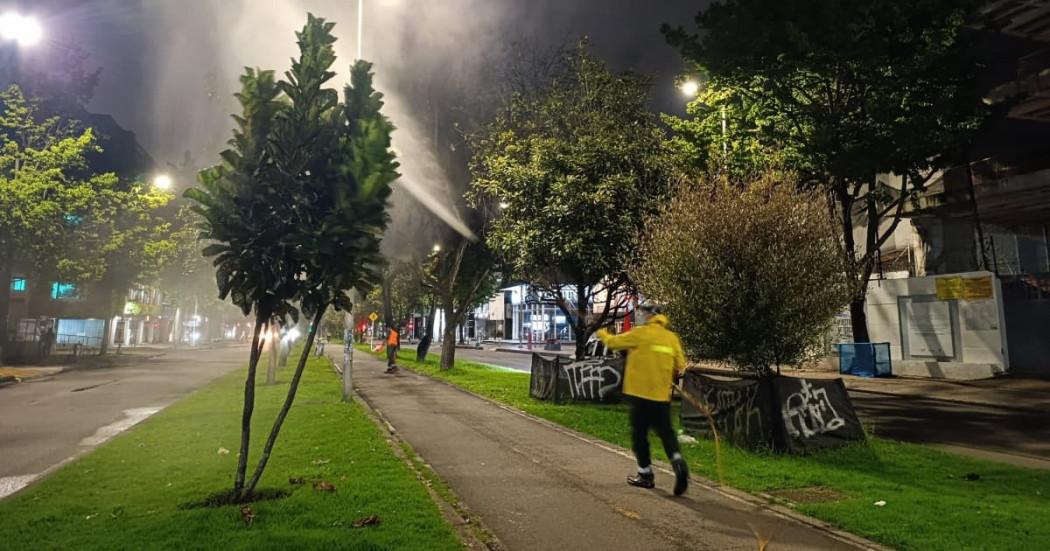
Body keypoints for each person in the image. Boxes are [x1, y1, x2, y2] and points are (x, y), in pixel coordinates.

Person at [596, 301, 689, 496]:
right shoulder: (671, 338)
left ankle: (645, 474)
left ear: (649, 316)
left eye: (642, 312)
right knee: (667, 434)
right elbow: (681, 364)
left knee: (640, 436)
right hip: (661, 397)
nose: (639, 315)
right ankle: (678, 461)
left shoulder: (640, 334)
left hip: (640, 396)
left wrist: (602, 333)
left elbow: (614, 343)